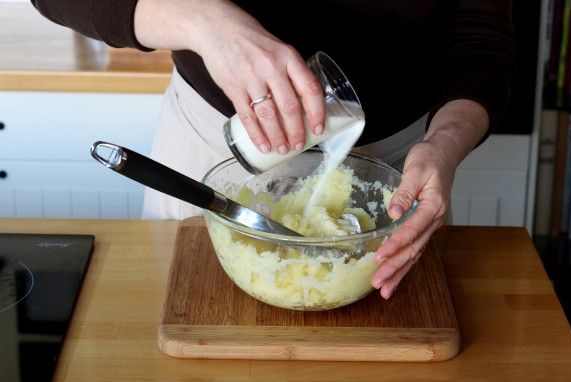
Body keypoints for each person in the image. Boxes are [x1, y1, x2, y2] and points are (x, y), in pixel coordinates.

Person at [31, 0, 516, 299]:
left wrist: (445, 145)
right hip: (211, 149)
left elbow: (480, 43)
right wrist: (204, 20)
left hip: (400, 169)